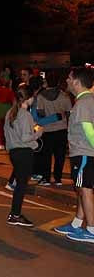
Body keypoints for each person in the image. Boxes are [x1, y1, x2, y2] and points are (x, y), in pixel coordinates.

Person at [54, 67, 94, 242]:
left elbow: (88, 131)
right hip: (83, 153)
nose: (67, 81)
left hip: (84, 153)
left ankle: (91, 230)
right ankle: (77, 223)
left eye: (70, 78)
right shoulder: (86, 101)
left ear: (77, 81)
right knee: (80, 188)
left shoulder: (84, 102)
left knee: (85, 190)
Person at [4, 85, 43, 228]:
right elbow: (26, 137)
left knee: (20, 183)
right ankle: (15, 214)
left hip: (14, 152)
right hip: (24, 152)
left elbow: (8, 134)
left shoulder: (10, 113)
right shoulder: (24, 114)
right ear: (28, 99)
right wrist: (38, 134)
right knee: (21, 185)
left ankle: (14, 213)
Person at [34, 76, 72, 186]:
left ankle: (46, 178)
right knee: (60, 155)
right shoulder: (65, 96)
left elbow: (40, 113)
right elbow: (69, 113)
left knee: (47, 155)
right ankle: (58, 178)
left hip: (47, 130)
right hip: (62, 129)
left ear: (46, 83)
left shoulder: (41, 96)